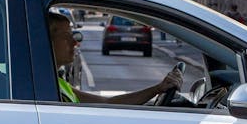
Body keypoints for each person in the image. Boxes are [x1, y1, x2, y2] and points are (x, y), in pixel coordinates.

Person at [46, 12, 180, 104]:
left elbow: (107, 102)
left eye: (73, 35)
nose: (74, 42)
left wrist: (157, 89)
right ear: (46, 41)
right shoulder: (43, 86)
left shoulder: (55, 84)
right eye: (66, 36)